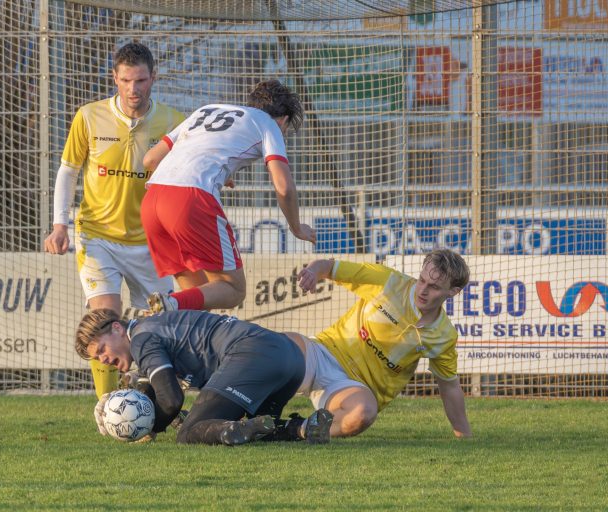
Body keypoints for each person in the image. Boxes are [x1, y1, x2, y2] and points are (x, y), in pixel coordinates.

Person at [43, 42, 185, 398]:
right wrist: (60, 225)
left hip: (151, 240)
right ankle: (107, 405)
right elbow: (68, 170)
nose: (133, 89)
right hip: (97, 236)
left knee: (160, 325)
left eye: (140, 81)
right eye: (125, 80)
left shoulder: (174, 122)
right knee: (106, 317)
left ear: (153, 77)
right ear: (114, 78)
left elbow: (190, 168)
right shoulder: (89, 117)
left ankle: (149, 399)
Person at [140, 79, 316, 314]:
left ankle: (173, 316)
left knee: (199, 301)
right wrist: (296, 228)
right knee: (233, 289)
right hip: (190, 200)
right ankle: (171, 304)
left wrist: (211, 173)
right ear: (282, 120)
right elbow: (284, 187)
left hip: (152, 201)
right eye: (284, 130)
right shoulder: (267, 123)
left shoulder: (205, 110)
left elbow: (150, 160)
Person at [75, 308, 333, 445]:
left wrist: (147, 426)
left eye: (101, 350)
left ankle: (233, 427)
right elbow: (152, 391)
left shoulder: (141, 339)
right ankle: (301, 428)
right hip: (290, 357)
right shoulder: (148, 329)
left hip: (252, 354)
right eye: (97, 359)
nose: (104, 360)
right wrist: (117, 410)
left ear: (117, 328)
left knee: (189, 433)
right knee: (260, 428)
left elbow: (170, 399)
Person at [287, 249, 473, 439]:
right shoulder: (388, 282)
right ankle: (256, 411)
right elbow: (328, 267)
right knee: (278, 349)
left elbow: (449, 386)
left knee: (362, 413)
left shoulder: (444, 335)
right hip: (323, 353)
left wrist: (464, 435)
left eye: (433, 287)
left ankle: (291, 430)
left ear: (453, 292)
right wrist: (312, 271)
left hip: (351, 390)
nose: (423, 290)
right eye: (421, 280)